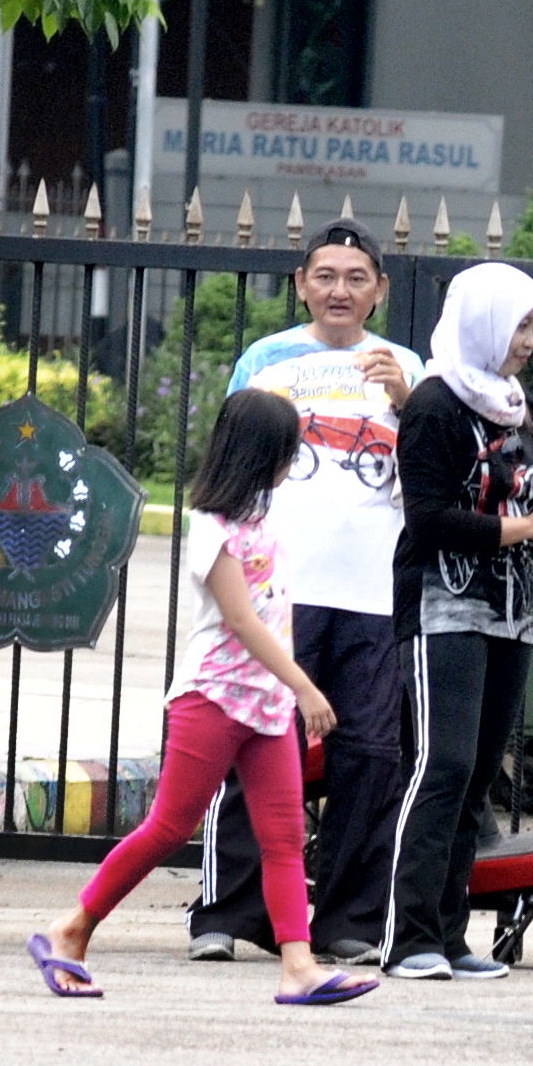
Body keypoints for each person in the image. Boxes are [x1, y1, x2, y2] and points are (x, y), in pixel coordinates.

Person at [28, 390, 378, 1007]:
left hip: (267, 705)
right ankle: (71, 928)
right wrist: (305, 687)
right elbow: (242, 621)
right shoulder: (213, 530)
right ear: (258, 454)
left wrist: (286, 691)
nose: (290, 464)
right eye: (286, 452)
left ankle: (298, 967)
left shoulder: (265, 522)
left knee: (283, 839)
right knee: (170, 826)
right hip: (213, 698)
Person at [190, 220, 414, 964]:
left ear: (380, 290)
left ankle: (348, 919)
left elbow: (436, 470)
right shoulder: (266, 360)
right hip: (277, 594)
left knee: (371, 755)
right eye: (325, 275)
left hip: (375, 593)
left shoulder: (408, 366)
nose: (339, 290)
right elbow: (230, 463)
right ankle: (225, 913)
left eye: (356, 278)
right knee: (253, 739)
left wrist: (408, 400)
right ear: (300, 284)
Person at [384, 262, 533, 979]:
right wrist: (527, 526)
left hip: (510, 610)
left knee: (478, 779)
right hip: (443, 606)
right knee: (440, 768)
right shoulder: (435, 403)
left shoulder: (513, 405)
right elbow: (428, 518)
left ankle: (449, 939)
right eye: (518, 326)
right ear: (482, 323)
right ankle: (407, 939)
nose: (529, 341)